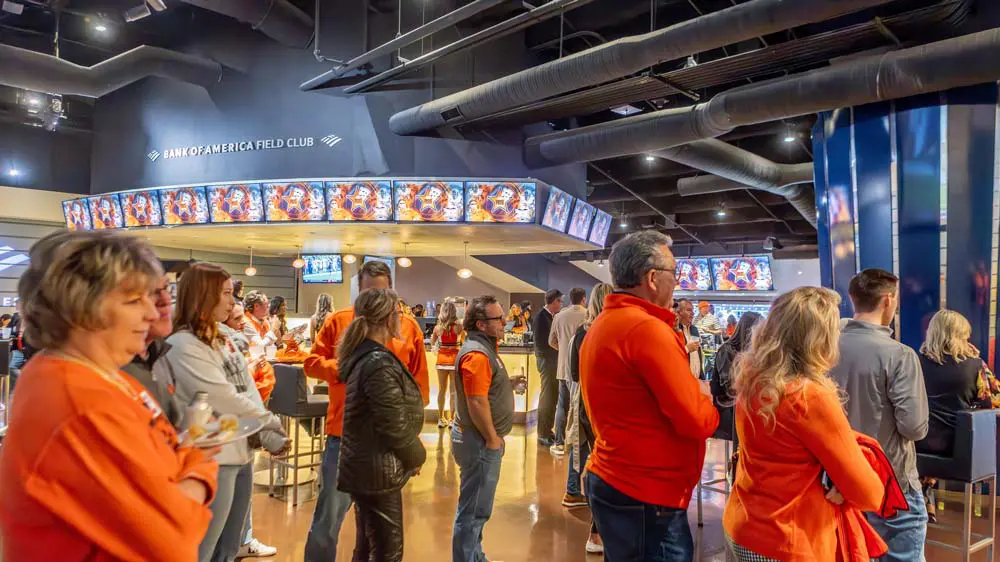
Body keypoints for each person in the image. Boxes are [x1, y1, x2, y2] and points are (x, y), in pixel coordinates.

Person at [0, 230, 219, 561]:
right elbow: (173, 542)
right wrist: (201, 467)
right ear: (80, 308)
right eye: (134, 300)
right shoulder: (81, 402)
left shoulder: (97, 376)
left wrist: (185, 459)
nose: (151, 313)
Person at [581, 231, 719, 561]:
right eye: (674, 273)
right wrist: (705, 395)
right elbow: (698, 421)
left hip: (617, 479)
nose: (678, 282)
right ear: (653, 278)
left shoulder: (605, 323)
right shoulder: (647, 330)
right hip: (647, 493)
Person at [724, 287, 886, 561]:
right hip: (788, 538)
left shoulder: (753, 380)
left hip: (744, 524)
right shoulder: (809, 395)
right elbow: (869, 493)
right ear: (820, 338)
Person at [303, 260, 429, 562]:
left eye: (383, 294)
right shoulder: (338, 321)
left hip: (385, 446)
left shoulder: (407, 327)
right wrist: (347, 369)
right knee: (329, 518)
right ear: (359, 292)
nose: (377, 302)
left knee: (372, 531)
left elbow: (419, 387)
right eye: (370, 294)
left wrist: (409, 439)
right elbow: (311, 364)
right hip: (343, 436)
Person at [164, 262, 288, 562]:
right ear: (203, 295)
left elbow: (246, 388)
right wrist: (269, 421)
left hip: (239, 450)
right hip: (211, 457)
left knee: (230, 545)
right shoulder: (182, 344)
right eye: (226, 294)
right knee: (204, 547)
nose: (233, 302)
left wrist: (265, 430)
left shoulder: (222, 338)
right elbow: (223, 397)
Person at [828, 268, 928, 562]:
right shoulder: (900, 355)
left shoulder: (824, 350)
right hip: (891, 485)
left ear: (852, 299)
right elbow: (914, 427)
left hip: (840, 482)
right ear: (887, 300)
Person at [338, 288, 427, 562]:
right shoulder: (377, 362)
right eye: (399, 313)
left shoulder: (369, 356)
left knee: (367, 547)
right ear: (389, 318)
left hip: (368, 466)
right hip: (376, 469)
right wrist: (416, 455)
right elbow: (393, 423)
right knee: (387, 550)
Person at [452, 295, 515, 562]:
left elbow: (483, 392)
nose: (504, 322)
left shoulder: (485, 348)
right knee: (473, 510)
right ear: (480, 324)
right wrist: (491, 438)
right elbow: (476, 401)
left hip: (482, 441)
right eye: (497, 318)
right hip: (478, 442)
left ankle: (475, 556)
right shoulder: (477, 354)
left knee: (479, 507)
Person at [567, 282, 613, 555]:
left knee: (593, 464)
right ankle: (601, 529)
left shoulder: (582, 332)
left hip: (586, 406)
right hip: (609, 409)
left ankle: (596, 530)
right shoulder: (612, 331)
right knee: (609, 467)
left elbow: (574, 373)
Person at [917, 309, 996, 456]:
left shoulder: (915, 362)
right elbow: (993, 402)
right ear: (959, 337)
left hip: (919, 441)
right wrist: (977, 360)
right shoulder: (975, 366)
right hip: (958, 445)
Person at [123, 273, 184, 428]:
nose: (166, 300)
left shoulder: (159, 353)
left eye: (166, 288)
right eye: (151, 292)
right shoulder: (109, 368)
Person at [710, 312, 763, 439]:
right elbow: (729, 386)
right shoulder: (727, 350)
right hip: (727, 413)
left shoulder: (752, 351)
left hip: (743, 410)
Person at [549, 287, 588, 457]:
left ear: (570, 299)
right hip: (582, 368)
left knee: (562, 405)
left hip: (563, 367)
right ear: (584, 299)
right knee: (582, 406)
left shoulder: (559, 316)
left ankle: (559, 442)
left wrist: (564, 350)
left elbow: (551, 341)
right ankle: (580, 444)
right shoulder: (588, 315)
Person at [533, 288, 563, 447]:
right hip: (546, 362)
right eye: (560, 301)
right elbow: (540, 344)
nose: (561, 304)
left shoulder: (551, 317)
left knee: (552, 397)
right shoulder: (540, 318)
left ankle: (548, 430)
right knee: (546, 397)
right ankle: (542, 433)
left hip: (552, 362)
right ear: (554, 301)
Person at [431, 298, 464, 429]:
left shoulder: (437, 328)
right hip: (455, 360)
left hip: (441, 360)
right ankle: (452, 419)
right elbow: (464, 341)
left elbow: (432, 343)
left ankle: (440, 418)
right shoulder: (459, 326)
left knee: (441, 390)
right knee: (453, 392)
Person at [676, 299, 703, 378]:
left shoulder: (694, 329)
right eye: (688, 310)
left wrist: (702, 376)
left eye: (693, 310)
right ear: (679, 312)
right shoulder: (675, 330)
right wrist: (686, 349)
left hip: (697, 379)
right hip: (682, 379)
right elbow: (672, 356)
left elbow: (698, 354)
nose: (692, 313)